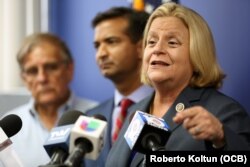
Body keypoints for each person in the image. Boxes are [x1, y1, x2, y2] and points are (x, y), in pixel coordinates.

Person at [106, 2, 250, 167]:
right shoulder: (134, 111)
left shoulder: (223, 112)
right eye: (151, 42)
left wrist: (221, 139)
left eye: (172, 43)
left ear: (197, 53)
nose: (157, 49)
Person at [2, 33, 98, 167]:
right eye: (32, 71)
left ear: (69, 69)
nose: (42, 78)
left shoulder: (96, 116)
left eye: (51, 67)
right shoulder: (8, 128)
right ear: (24, 78)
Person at [85, 7, 153, 167]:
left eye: (111, 42)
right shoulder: (91, 116)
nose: (101, 53)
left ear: (141, 48)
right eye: (97, 45)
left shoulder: (170, 110)